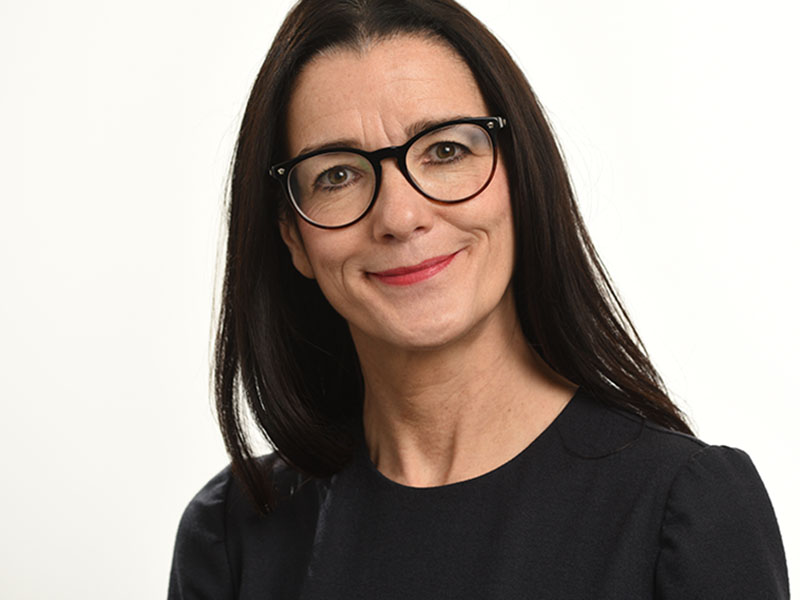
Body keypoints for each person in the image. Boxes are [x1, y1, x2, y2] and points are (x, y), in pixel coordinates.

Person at [168, 0, 789, 598]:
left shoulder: (685, 510)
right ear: (294, 239)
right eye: (338, 174)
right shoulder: (234, 532)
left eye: (445, 151)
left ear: (521, 177)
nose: (400, 216)